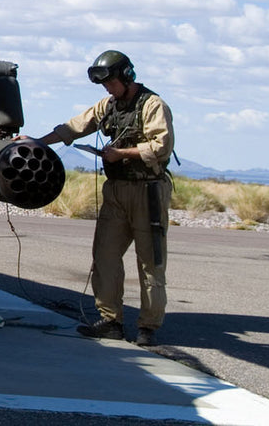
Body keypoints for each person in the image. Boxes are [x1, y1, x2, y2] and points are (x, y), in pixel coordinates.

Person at [28, 50, 174, 346]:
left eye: (110, 82)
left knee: (151, 263)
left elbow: (162, 146)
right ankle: (111, 321)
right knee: (104, 256)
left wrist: (122, 154)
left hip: (148, 192)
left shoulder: (153, 105)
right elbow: (74, 127)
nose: (107, 89)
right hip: (116, 191)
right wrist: (37, 142)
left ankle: (148, 328)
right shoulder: (107, 105)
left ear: (126, 76)